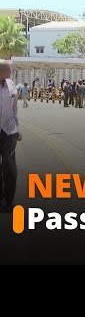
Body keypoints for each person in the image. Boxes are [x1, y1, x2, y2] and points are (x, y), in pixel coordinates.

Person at [0, 60, 22, 212]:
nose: (11, 72)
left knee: (9, 165)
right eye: (9, 69)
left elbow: (15, 108)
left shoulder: (11, 84)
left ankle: (9, 199)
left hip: (9, 130)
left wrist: (17, 128)